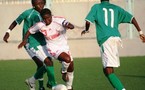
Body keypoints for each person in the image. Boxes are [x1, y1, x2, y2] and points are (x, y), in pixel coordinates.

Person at [81, 0, 145, 90]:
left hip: (106, 39)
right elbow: (132, 18)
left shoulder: (96, 7)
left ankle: (121, 89)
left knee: (108, 70)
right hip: (115, 39)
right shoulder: (116, 8)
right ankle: (117, 87)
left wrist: (86, 30)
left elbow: (88, 22)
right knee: (107, 69)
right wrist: (140, 32)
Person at [3, 0, 56, 90]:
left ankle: (37, 84)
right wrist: (8, 32)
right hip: (30, 42)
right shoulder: (28, 13)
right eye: (37, 4)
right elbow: (16, 21)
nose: (40, 6)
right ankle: (52, 84)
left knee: (47, 64)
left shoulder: (46, 14)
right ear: (33, 5)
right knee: (44, 64)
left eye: (42, 3)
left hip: (43, 42)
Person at [18, 8, 74, 90]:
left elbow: (67, 23)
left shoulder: (59, 20)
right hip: (53, 48)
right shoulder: (40, 25)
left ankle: (69, 87)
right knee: (66, 59)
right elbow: (29, 31)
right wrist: (24, 40)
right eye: (44, 19)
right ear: (42, 18)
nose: (47, 21)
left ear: (51, 16)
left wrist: (69, 25)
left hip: (64, 46)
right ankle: (62, 74)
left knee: (71, 66)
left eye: (48, 18)